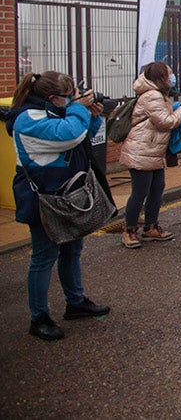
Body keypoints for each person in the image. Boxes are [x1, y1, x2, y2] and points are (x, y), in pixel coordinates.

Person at [6, 71, 111, 341]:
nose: (74, 99)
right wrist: (79, 108)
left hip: (66, 195)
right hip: (43, 199)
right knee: (43, 258)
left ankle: (75, 302)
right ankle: (38, 318)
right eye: (69, 96)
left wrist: (93, 116)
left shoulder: (54, 112)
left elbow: (80, 139)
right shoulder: (27, 119)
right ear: (52, 98)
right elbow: (68, 136)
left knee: (72, 249)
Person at [118, 61, 181, 249]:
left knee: (157, 188)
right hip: (141, 151)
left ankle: (151, 227)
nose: (173, 76)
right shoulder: (152, 96)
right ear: (161, 77)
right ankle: (129, 231)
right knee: (140, 192)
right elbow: (165, 122)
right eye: (170, 73)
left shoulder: (161, 95)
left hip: (153, 151)